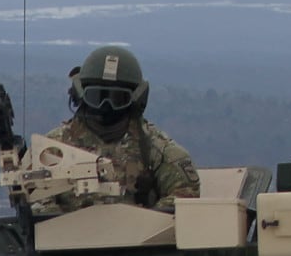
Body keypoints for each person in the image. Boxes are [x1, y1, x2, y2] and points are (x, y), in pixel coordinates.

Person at [44, 45, 200, 213]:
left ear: (136, 99)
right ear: (80, 94)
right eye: (97, 97)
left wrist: (144, 223)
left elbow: (185, 195)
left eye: (117, 99)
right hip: (66, 237)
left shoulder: (155, 150)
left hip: (141, 236)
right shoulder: (51, 150)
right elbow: (36, 202)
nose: (106, 106)